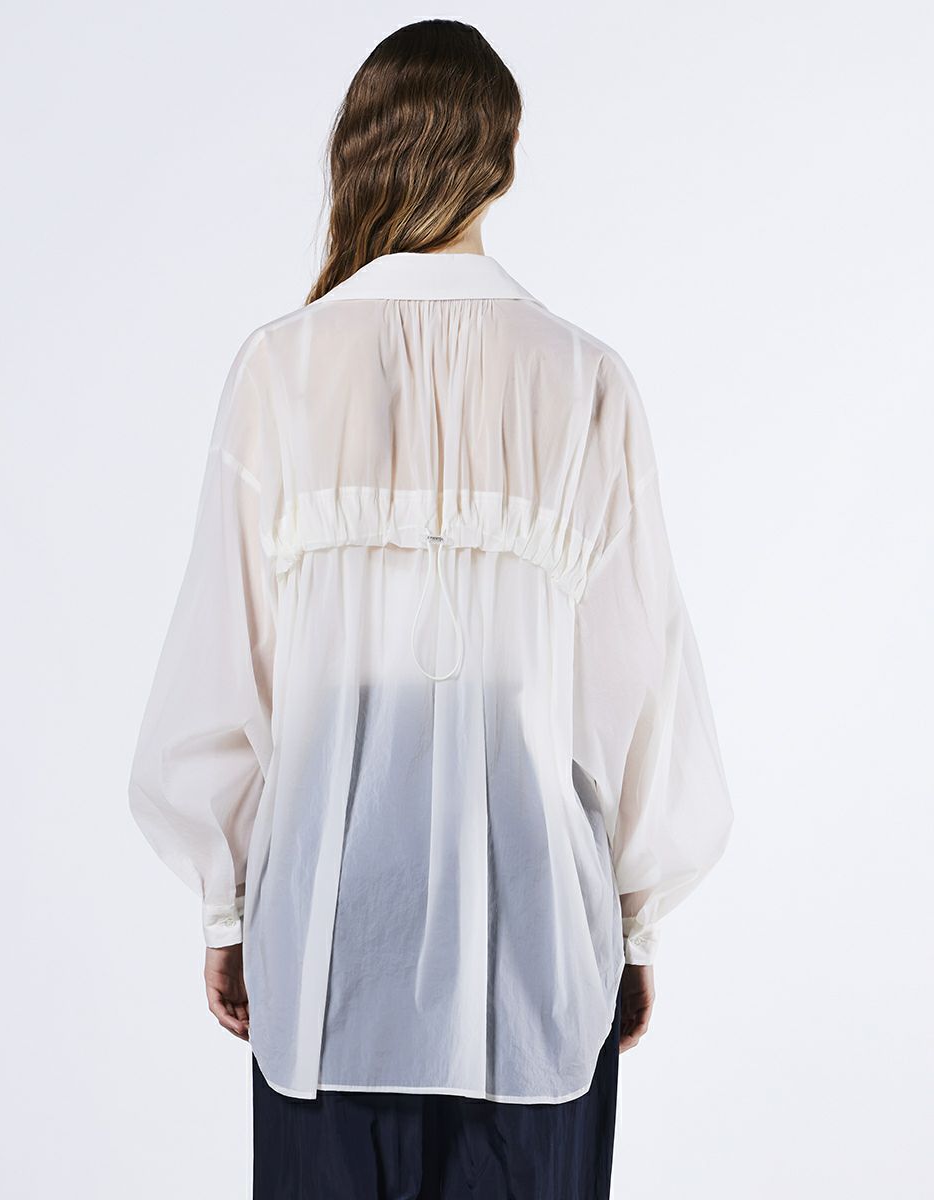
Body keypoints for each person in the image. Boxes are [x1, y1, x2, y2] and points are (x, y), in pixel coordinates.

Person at [128, 18, 733, 1200]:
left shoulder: (282, 368)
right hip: (536, 945)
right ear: (499, 162)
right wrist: (630, 923)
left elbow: (222, 657)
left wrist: (227, 903)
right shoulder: (582, 378)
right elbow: (639, 680)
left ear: (359, 152)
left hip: (328, 938)